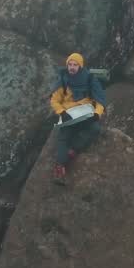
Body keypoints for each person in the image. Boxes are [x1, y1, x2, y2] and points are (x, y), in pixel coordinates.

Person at [49, 52, 106, 182]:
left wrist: (97, 114)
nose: (72, 67)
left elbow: (100, 100)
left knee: (95, 129)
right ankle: (59, 170)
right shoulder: (63, 80)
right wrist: (62, 113)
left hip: (86, 112)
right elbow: (54, 100)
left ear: (80, 66)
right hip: (68, 114)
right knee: (64, 137)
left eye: (75, 65)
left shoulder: (90, 79)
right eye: (70, 64)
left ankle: (72, 151)